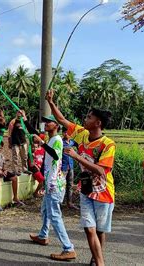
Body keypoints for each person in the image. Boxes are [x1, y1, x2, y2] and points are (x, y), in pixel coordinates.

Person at [47, 89, 116, 266]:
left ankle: (96, 258)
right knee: (88, 228)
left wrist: (76, 156)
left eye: (89, 117)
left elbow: (101, 171)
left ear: (98, 123)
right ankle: (100, 263)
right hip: (86, 189)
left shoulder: (108, 144)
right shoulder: (82, 134)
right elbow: (62, 120)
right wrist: (51, 102)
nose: (85, 119)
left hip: (104, 192)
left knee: (100, 230)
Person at [19, 111, 76, 261]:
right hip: (51, 182)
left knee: (54, 216)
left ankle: (68, 248)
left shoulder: (56, 140)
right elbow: (35, 132)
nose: (46, 123)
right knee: (45, 209)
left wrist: (42, 143)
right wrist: (25, 120)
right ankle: (43, 235)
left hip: (54, 185)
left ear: (56, 125)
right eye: (45, 121)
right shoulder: (50, 139)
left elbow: (56, 155)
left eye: (49, 121)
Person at [0, 141, 25, 212]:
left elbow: (3, 167)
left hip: (0, 171)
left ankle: (15, 198)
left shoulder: (1, 156)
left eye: (0, 147)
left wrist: (4, 170)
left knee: (14, 178)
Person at [61, 127, 78, 209]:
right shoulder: (60, 142)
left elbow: (80, 145)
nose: (67, 134)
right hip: (62, 167)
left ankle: (69, 203)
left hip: (70, 166)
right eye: (65, 132)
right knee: (61, 185)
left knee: (70, 185)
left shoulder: (72, 142)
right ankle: (59, 202)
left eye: (68, 133)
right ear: (63, 133)